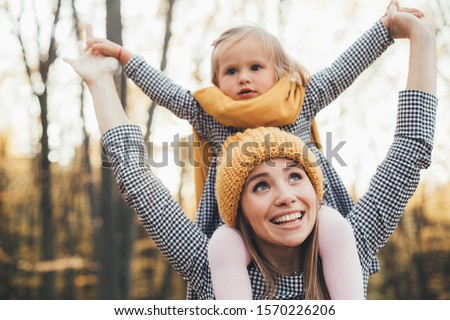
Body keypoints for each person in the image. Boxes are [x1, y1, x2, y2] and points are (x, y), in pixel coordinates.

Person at [66, 1, 437, 299]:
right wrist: (103, 79)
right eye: (260, 185)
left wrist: (413, 36)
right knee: (224, 244)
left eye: (295, 175)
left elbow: (409, 147)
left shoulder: (348, 241)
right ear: (236, 204)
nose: (286, 196)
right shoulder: (211, 263)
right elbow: (136, 174)